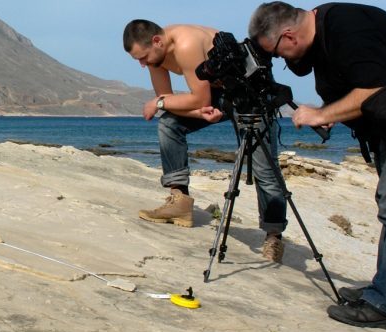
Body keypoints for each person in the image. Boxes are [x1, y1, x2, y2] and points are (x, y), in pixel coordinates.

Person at [248, 2, 386, 330]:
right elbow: (361, 83)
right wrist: (331, 110)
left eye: (277, 53)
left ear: (288, 35)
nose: (283, 61)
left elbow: (377, 85)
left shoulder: (346, 27)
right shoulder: (324, 33)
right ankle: (385, 289)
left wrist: (322, 114)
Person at [122, 19, 289, 262]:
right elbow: (172, 100)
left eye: (143, 57)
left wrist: (161, 104)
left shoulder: (186, 44)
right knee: (169, 123)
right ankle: (179, 201)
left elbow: (185, 100)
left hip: (250, 90)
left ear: (157, 41)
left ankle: (274, 236)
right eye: (138, 59)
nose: (142, 63)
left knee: (265, 168)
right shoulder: (156, 57)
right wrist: (198, 113)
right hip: (217, 93)